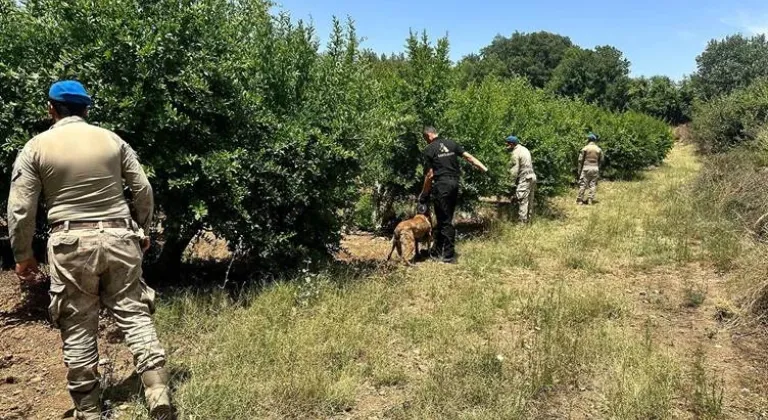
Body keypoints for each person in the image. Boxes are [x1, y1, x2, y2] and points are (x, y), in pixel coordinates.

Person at [7, 81, 172, 419]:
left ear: (51, 110)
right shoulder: (113, 140)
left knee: (78, 324)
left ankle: (88, 410)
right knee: (134, 313)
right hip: (119, 237)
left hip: (70, 243)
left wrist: (23, 255)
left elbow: (21, 209)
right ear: (86, 110)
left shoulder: (35, 147)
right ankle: (158, 394)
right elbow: (142, 188)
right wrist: (141, 229)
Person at [419, 126, 488, 263]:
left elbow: (430, 174)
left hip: (442, 185)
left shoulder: (429, 150)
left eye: (425, 139)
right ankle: (436, 251)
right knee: (445, 218)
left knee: (444, 221)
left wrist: (424, 194)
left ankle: (449, 255)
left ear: (428, 136)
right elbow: (469, 157)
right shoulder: (451, 143)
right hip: (454, 184)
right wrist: (484, 168)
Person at [506, 136, 537, 224]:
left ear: (512, 144)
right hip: (532, 177)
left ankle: (521, 225)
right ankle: (529, 222)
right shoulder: (525, 149)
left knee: (522, 200)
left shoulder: (515, 152)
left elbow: (514, 170)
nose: (506, 146)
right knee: (529, 201)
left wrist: (510, 183)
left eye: (507, 144)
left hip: (525, 178)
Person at [577, 132, 604, 205]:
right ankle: (590, 200)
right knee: (593, 184)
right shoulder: (598, 149)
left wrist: (579, 170)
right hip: (595, 168)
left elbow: (580, 160)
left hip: (586, 167)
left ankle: (580, 200)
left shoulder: (585, 148)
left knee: (583, 184)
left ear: (588, 140)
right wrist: (598, 167)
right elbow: (601, 160)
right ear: (595, 140)